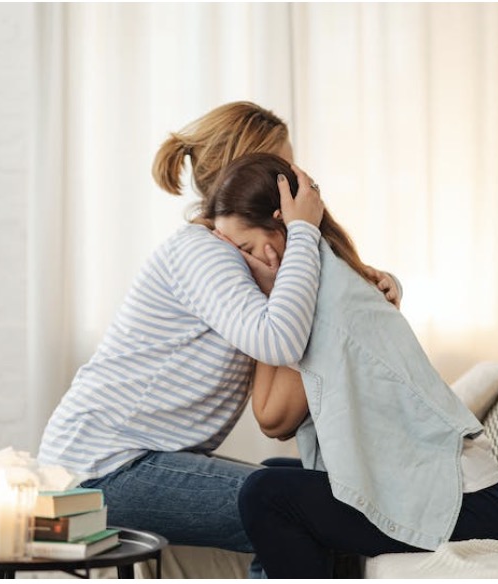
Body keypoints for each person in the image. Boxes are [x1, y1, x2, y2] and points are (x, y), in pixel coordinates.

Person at [37, 101, 399, 555]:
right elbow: (280, 338)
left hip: (129, 462)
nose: (295, 179)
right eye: (283, 168)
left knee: (290, 492)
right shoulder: (203, 253)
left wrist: (380, 283)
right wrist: (304, 230)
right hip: (98, 470)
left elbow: (306, 318)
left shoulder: (242, 256)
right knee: (290, 509)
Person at [201, 152, 498, 578]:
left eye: (243, 249)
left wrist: (269, 299)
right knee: (274, 473)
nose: (239, 266)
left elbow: (272, 418)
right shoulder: (324, 277)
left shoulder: (322, 296)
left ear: (281, 229)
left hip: (472, 507)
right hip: (457, 496)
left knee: (265, 493)